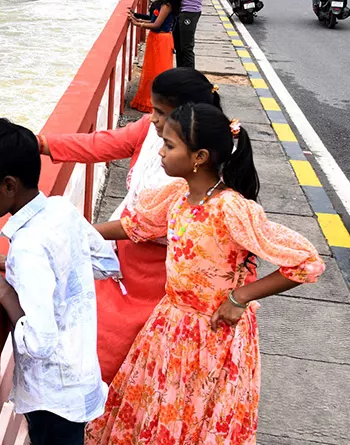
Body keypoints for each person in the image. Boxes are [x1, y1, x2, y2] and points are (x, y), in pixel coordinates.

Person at [86, 103, 325, 445]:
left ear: (198, 157)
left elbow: (306, 262)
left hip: (214, 335)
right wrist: (72, 233)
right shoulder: (178, 197)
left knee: (197, 421)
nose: (161, 152)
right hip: (169, 328)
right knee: (157, 417)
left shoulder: (231, 209)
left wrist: (240, 297)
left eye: (169, 146)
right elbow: (133, 225)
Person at [32, 68, 221, 384]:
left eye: (161, 112)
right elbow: (101, 145)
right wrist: (41, 143)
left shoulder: (199, 179)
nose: (153, 118)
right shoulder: (153, 131)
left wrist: (75, 233)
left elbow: (143, 224)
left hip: (160, 276)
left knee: (123, 355)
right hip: (123, 259)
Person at [0, 119, 106, 445]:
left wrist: (6, 292)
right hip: (80, 375)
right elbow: (104, 261)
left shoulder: (27, 246)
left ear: (9, 186)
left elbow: (39, 342)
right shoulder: (60, 209)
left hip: (52, 395)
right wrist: (12, 264)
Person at [127, 0, 182, 113]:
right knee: (151, 69)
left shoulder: (167, 5)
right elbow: (152, 20)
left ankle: (156, 102)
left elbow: (157, 25)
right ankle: (148, 99)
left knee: (158, 71)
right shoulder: (161, 3)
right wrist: (137, 18)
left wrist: (137, 23)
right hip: (155, 39)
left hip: (162, 40)